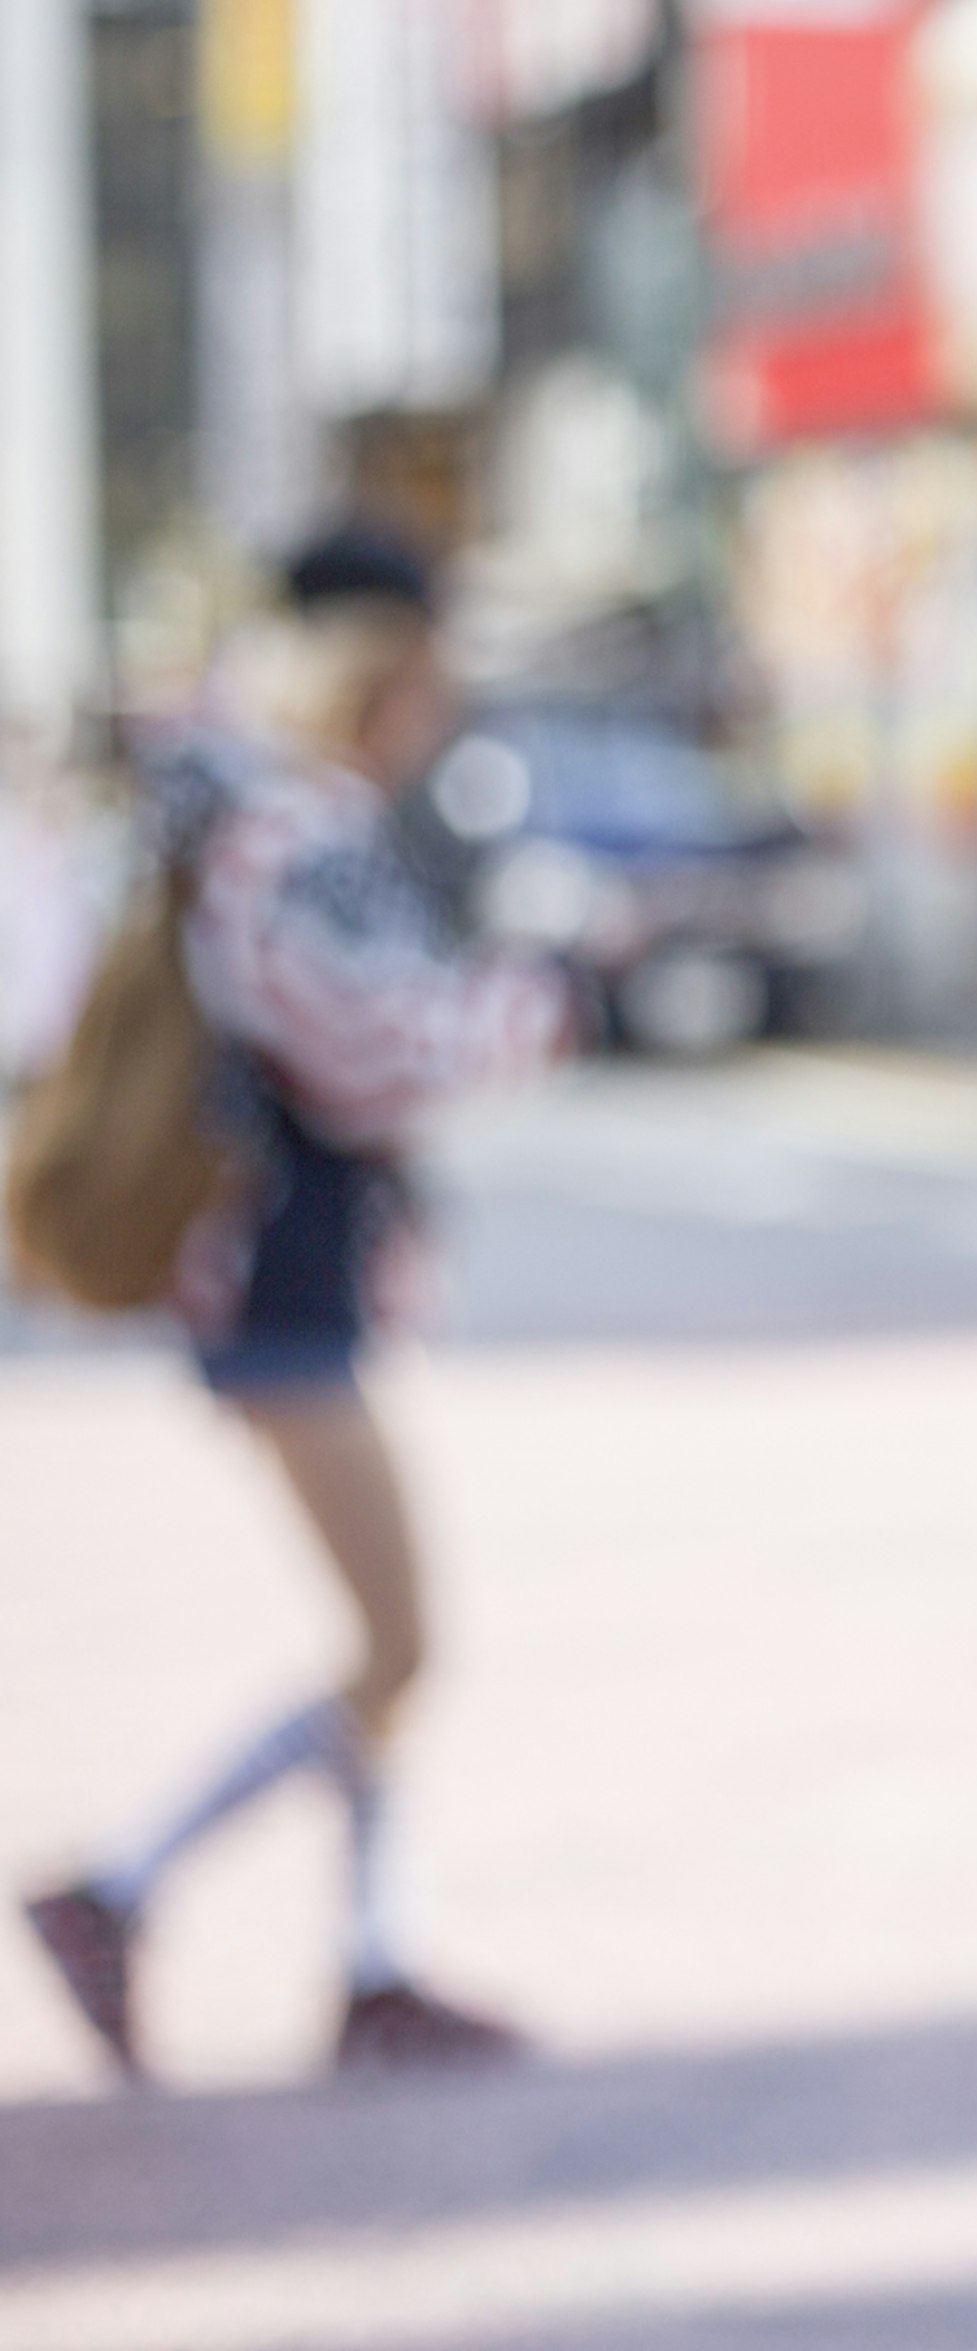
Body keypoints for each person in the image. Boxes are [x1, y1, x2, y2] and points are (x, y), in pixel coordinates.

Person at [22, 522, 569, 2079]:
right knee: (402, 1644)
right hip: (282, 1287)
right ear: (386, 681)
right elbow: (379, 1052)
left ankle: (374, 1959)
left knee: (385, 1638)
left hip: (278, 1285)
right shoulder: (299, 833)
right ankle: (119, 1883)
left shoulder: (232, 822)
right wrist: (542, 997)